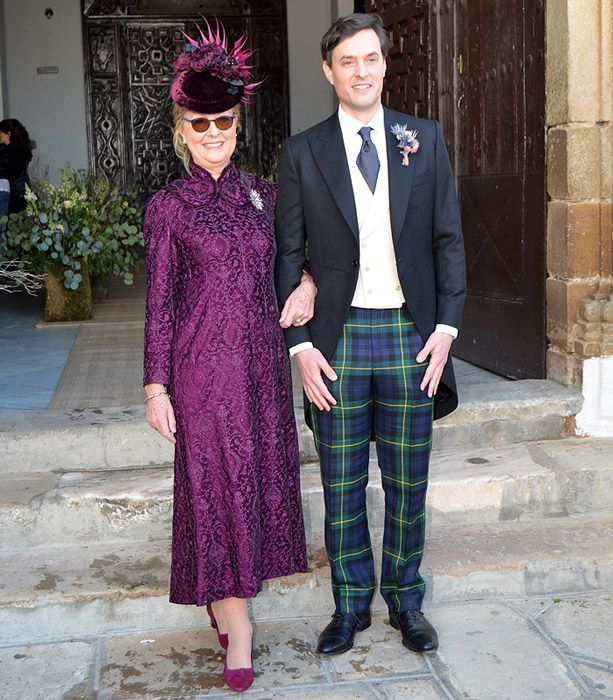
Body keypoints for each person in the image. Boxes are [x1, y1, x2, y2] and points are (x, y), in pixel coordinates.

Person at [275, 13, 466, 656]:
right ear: (329, 72)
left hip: (413, 337)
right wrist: (300, 347)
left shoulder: (425, 139)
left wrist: (446, 327)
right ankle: (350, 605)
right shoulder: (303, 151)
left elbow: (447, 240)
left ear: (385, 65)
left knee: (410, 479)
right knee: (342, 480)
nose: (362, 71)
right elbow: (286, 252)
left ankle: (405, 602)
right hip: (340, 337)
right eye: (348, 62)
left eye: (372, 59)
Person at [143, 22, 313, 693]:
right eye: (201, 123)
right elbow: (158, 303)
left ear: (238, 123)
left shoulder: (266, 198)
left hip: (262, 373)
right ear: (181, 129)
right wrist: (156, 387)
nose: (214, 133)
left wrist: (307, 284)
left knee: (253, 490)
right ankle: (237, 630)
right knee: (214, 492)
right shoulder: (167, 208)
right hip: (200, 375)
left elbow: (305, 261)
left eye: (224, 121)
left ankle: (229, 600)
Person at [0, 119, 34, 214]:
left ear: (8, 133)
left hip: (16, 194)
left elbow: (14, 172)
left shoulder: (18, 150)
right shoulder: (7, 149)